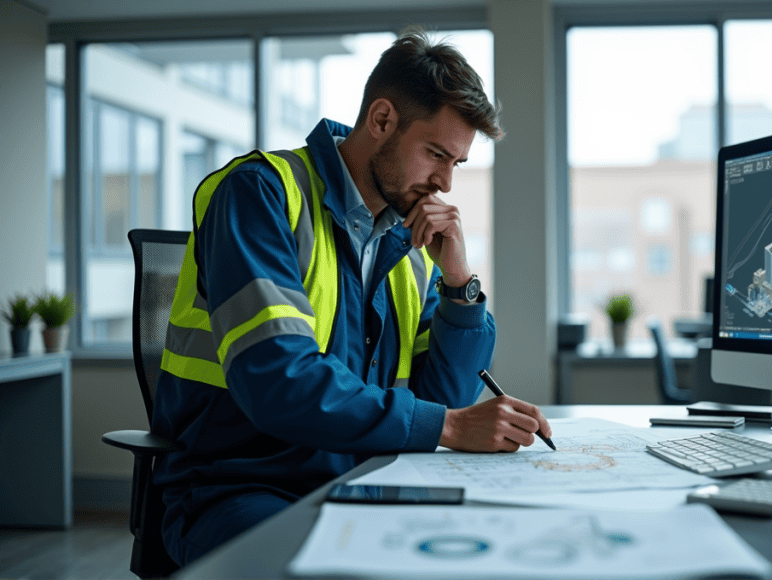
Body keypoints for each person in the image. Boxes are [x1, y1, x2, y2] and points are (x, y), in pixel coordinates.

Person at [150, 28, 554, 567]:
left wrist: (458, 283)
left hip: (361, 480)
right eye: (436, 154)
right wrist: (452, 428)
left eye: (455, 163)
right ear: (382, 120)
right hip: (241, 486)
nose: (445, 184)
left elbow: (445, 394)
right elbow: (279, 381)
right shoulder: (261, 194)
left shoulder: (406, 242)